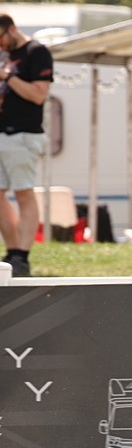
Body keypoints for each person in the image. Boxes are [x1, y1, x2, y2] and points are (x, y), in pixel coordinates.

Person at [0, 14, 54, 277]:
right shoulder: (4, 55)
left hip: (24, 135)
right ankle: (11, 253)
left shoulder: (36, 52)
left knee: (23, 192)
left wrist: (8, 78)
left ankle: (23, 254)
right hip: (1, 134)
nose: (0, 45)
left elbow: (38, 95)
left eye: (0, 38)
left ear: (11, 29)